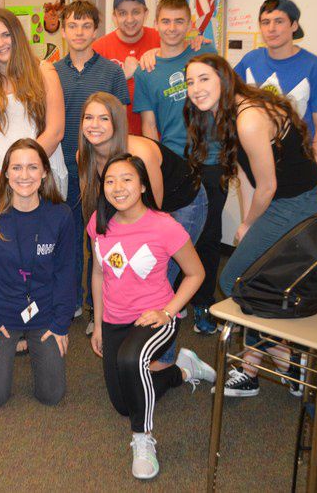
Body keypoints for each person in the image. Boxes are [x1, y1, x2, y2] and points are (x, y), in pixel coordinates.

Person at [185, 54, 317, 398]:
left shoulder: (248, 118)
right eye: (190, 82)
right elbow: (246, 175)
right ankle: (258, 368)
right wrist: (249, 224)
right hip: (285, 201)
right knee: (255, 281)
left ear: (224, 78)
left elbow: (268, 186)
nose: (196, 88)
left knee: (234, 280)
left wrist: (249, 222)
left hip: (296, 203)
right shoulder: (231, 112)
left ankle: (283, 360)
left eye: (204, 79)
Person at [87, 154, 215, 480]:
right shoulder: (99, 222)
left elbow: (196, 273)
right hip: (114, 319)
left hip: (156, 317)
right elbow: (99, 274)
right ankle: (182, 370)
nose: (118, 187)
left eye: (127, 179)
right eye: (110, 181)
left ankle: (143, 440)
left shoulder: (164, 226)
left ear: (143, 185)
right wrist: (98, 324)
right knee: (123, 403)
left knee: (131, 361)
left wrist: (168, 311)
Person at [0, 7, 66, 355]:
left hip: (39, 176)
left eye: (5, 35)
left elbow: (56, 129)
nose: (0, 43)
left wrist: (27, 170)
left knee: (36, 254)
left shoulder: (44, 71)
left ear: (17, 35)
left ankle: (37, 324)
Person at [78, 92, 207, 337]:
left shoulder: (140, 153)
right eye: (88, 117)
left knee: (158, 274)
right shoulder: (84, 156)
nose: (94, 125)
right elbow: (99, 209)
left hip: (182, 200)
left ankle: (161, 345)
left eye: (104, 118)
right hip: (140, 205)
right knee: (127, 275)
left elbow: (153, 216)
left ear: (117, 123)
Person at [133, 0, 220, 334]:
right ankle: (168, 299)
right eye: (166, 21)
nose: (172, 28)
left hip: (210, 159)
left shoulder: (204, 57)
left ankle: (203, 303)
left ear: (189, 24)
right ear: (156, 23)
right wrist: (153, 168)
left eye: (179, 21)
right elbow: (149, 126)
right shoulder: (147, 69)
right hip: (172, 164)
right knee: (170, 237)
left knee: (208, 235)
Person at [0, 138, 78, 407]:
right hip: (2, 313)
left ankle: (29, 343)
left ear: (44, 172)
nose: (24, 175)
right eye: (17, 168)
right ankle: (3, 342)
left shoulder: (61, 215)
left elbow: (66, 275)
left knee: (52, 395)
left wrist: (60, 324)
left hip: (45, 312)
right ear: (6, 173)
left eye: (32, 167)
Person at [52, 0, 129, 322]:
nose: (79, 32)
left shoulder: (112, 72)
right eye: (72, 25)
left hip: (103, 172)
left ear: (96, 30)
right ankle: (71, 300)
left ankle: (99, 303)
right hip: (65, 171)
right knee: (68, 240)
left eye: (86, 26)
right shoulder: (52, 73)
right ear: (63, 30)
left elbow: (121, 124)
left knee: (102, 239)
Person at [234, 0, 317, 169]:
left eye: (279, 21)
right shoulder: (250, 60)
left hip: (296, 164)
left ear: (294, 25)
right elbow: (221, 87)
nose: (271, 29)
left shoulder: (315, 67)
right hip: (255, 163)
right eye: (265, 22)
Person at [92, 0, 161, 136]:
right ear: (114, 17)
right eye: (122, 13)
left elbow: (185, 49)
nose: (130, 19)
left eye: (136, 12)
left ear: (146, 13)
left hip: (159, 137)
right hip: (116, 139)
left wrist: (198, 41)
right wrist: (121, 76)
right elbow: (92, 98)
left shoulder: (161, 39)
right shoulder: (98, 49)